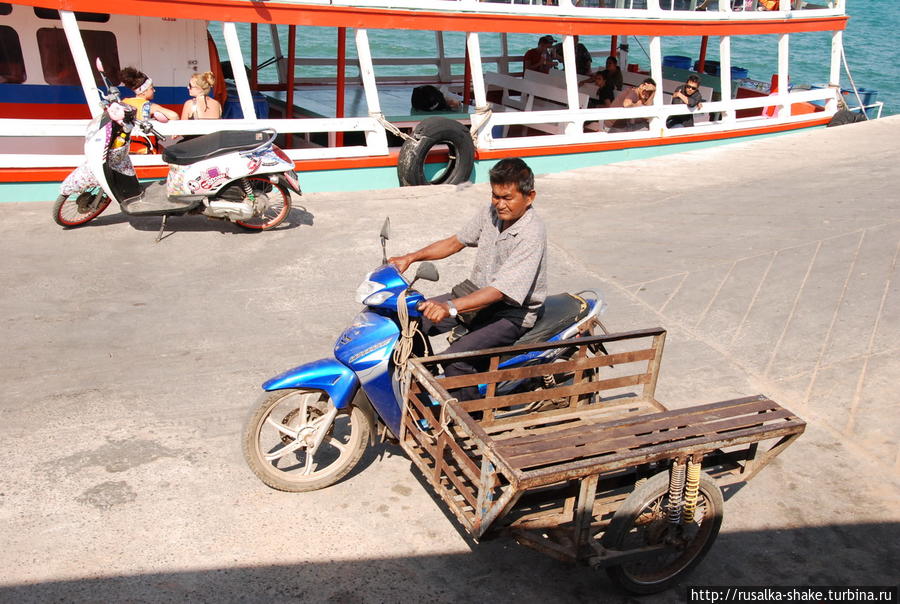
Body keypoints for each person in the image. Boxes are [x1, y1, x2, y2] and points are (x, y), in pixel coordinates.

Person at [388, 158, 547, 401]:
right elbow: (455, 242)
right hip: (475, 294)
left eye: (507, 197)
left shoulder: (531, 233)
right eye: (495, 196)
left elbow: (499, 292)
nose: (500, 204)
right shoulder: (491, 213)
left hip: (510, 313)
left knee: (456, 359)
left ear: (529, 197)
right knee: (411, 320)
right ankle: (420, 384)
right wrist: (411, 258)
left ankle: (469, 421)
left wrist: (449, 308)